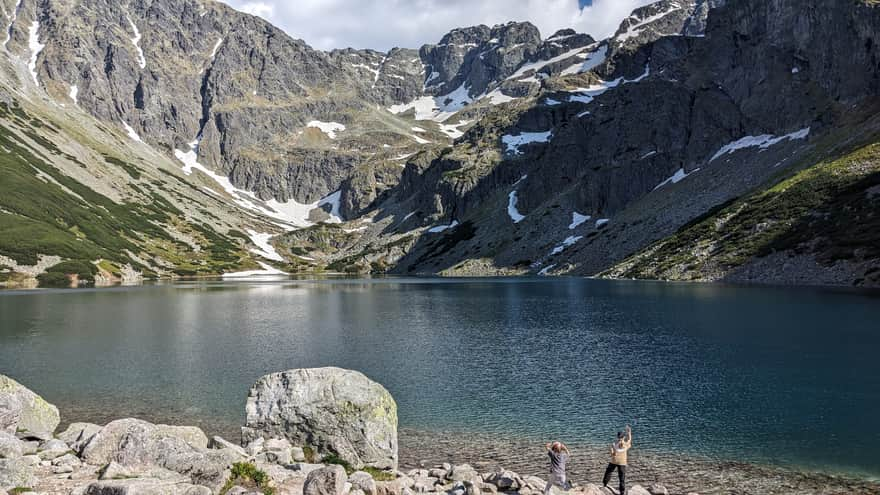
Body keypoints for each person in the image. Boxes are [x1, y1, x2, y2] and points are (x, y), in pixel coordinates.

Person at [603, 425, 632, 495]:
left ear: (617, 437)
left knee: (608, 472)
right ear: (623, 437)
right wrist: (629, 432)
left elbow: (613, 454)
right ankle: (622, 492)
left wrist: (613, 448)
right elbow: (629, 439)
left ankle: (604, 485)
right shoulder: (626, 444)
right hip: (622, 463)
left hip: (614, 461)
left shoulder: (614, 444)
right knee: (622, 478)